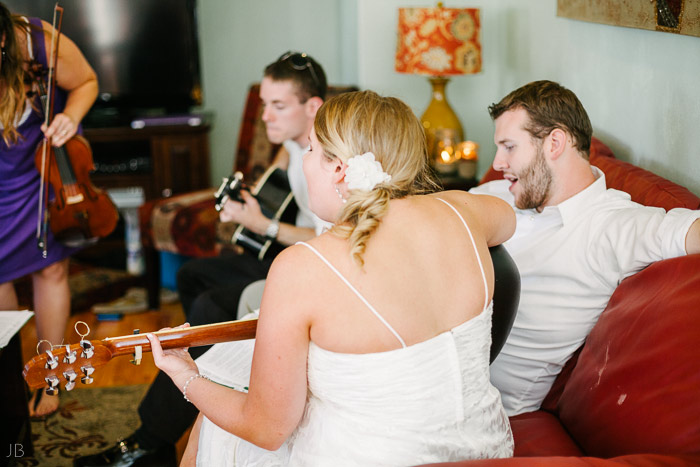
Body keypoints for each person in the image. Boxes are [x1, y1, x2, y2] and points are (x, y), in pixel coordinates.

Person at [149, 90, 516, 466]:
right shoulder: (461, 211)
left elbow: (266, 429)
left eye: (309, 150)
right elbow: (507, 217)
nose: (305, 161)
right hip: (487, 450)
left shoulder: (302, 266)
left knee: (218, 427)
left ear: (339, 168)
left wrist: (187, 376)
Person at [74, 52, 329, 467]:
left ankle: (151, 440)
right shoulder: (291, 142)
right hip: (284, 255)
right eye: (264, 104)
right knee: (193, 276)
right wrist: (246, 206)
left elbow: (328, 238)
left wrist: (261, 225)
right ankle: (208, 377)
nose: (265, 116)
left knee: (211, 308)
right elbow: (274, 183)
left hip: (307, 266)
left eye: (278, 106)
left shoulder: (328, 154)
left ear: (312, 107)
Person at [470, 80, 700, 416]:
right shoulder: (502, 193)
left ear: (555, 143)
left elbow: (688, 231)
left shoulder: (611, 226)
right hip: (428, 359)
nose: (499, 162)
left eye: (509, 147)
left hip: (485, 407)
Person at [0, 2, 98, 419]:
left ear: (3, 39)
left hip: (35, 165)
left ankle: (48, 374)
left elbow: (87, 81)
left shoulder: (38, 41)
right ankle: (7, 380)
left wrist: (69, 118)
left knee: (51, 267)